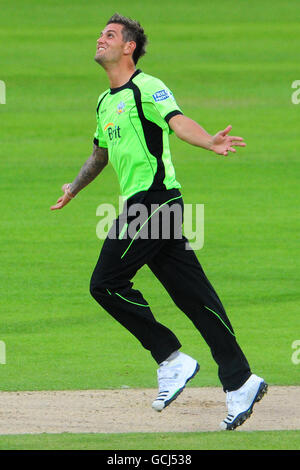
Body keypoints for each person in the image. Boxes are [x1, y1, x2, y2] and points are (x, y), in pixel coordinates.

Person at [51, 13, 267, 430]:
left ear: (129, 47)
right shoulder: (105, 101)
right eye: (100, 34)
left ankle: (171, 357)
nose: (100, 39)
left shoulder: (147, 87)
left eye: (109, 35)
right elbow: (100, 154)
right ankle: (241, 379)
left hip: (154, 203)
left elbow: (177, 122)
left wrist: (209, 141)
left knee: (106, 283)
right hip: (148, 205)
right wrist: (74, 189)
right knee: (196, 298)